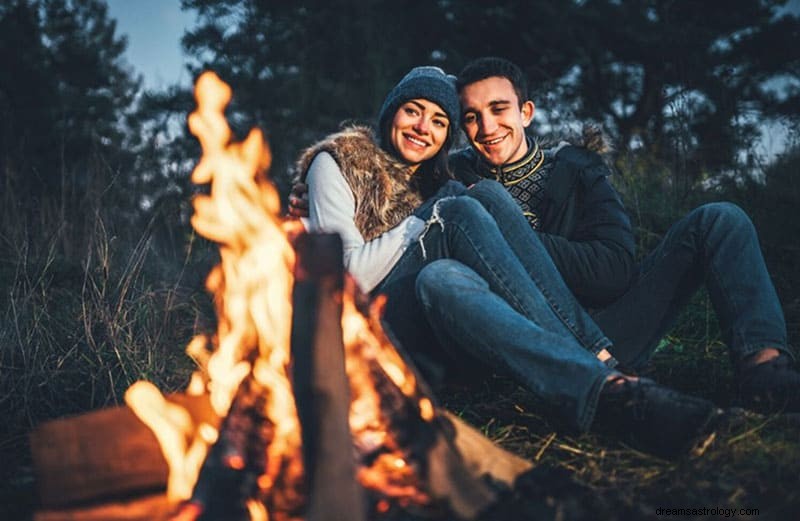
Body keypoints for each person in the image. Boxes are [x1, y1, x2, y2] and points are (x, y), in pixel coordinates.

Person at [295, 65, 722, 459]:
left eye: (440, 121)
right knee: (463, 207)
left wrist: (440, 206)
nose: (423, 128)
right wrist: (432, 214)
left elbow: (610, 266)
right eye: (413, 111)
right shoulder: (341, 163)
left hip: (433, 321)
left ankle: (598, 384)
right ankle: (600, 364)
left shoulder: (435, 177)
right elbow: (346, 277)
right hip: (368, 326)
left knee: (456, 251)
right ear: (392, 111)